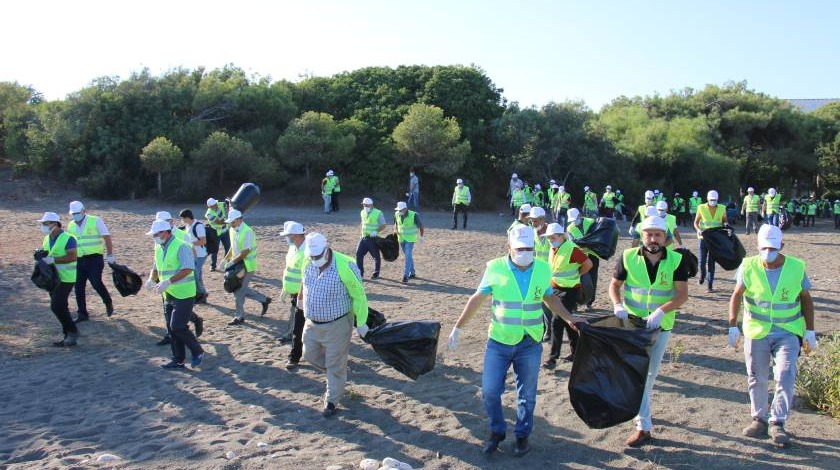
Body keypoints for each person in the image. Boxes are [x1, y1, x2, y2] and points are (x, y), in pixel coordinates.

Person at [447, 224, 586, 457]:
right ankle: (497, 431)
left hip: (530, 343)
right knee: (490, 392)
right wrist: (458, 327)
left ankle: (522, 436)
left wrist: (569, 318)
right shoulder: (495, 267)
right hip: (499, 342)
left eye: (529, 248)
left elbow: (550, 298)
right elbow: (477, 298)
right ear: (509, 246)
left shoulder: (543, 269)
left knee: (527, 396)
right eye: (520, 248)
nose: (525, 253)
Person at [727, 224, 817, 448]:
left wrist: (810, 330)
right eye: (764, 248)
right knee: (757, 376)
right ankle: (759, 419)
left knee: (786, 374)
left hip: (788, 331)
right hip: (756, 331)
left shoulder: (796, 267)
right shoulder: (748, 265)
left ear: (782, 246)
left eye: (773, 248)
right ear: (757, 246)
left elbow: (805, 298)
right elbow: (736, 295)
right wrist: (732, 325)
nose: (768, 252)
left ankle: (777, 422)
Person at [610, 216, 689, 447]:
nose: (653, 239)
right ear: (641, 236)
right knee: (638, 374)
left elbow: (682, 294)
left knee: (650, 374)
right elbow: (614, 285)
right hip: (632, 325)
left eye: (658, 235)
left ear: (665, 237)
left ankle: (641, 412)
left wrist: (661, 312)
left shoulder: (676, 260)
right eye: (649, 234)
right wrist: (617, 304)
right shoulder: (627, 257)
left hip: (660, 325)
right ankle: (643, 425)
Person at [299, 232, 369, 417]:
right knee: (309, 355)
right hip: (312, 323)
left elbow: (359, 295)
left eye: (317, 256)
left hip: (337, 324)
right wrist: (300, 299)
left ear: (326, 249)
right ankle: (337, 373)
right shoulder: (307, 261)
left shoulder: (346, 265)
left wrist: (361, 322)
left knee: (334, 364)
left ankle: (331, 401)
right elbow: (303, 283)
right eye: (311, 256)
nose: (314, 259)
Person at [144, 219, 205, 370]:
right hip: (168, 293)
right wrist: (152, 279)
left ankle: (197, 350)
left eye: (156, 234)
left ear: (166, 232)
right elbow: (156, 267)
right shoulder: (158, 247)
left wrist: (168, 281)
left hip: (184, 293)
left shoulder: (181, 246)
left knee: (177, 326)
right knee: (171, 329)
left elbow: (187, 269)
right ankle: (178, 359)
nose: (154, 237)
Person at [541, 222, 592, 368]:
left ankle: (552, 358)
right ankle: (576, 352)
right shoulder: (554, 248)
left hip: (569, 290)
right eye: (549, 237)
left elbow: (588, 264)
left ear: (562, 236)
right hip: (555, 288)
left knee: (557, 321)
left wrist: (579, 273)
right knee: (568, 321)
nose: (551, 240)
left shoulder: (572, 249)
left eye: (553, 237)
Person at [154, 211, 204, 346]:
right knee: (168, 309)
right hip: (165, 281)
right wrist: (153, 278)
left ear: (171, 222)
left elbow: (192, 254)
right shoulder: (158, 234)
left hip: (180, 280)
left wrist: (191, 272)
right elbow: (158, 258)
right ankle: (170, 334)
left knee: (180, 307)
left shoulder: (182, 236)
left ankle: (195, 320)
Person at [67, 200, 114, 322]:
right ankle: (82, 313)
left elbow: (107, 237)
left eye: (77, 213)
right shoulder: (71, 225)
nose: (75, 215)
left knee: (96, 282)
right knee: (78, 287)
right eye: (73, 213)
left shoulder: (95, 220)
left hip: (94, 258)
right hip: (79, 259)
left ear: (84, 211)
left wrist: (110, 254)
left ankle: (107, 301)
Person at [38, 212, 80, 347]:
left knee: (56, 306)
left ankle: (72, 332)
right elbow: (47, 253)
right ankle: (68, 335)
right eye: (42, 224)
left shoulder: (69, 238)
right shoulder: (47, 238)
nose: (43, 226)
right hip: (52, 278)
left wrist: (53, 260)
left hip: (67, 278)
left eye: (46, 223)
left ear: (55, 224)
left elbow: (72, 257)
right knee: (61, 306)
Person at [223, 209, 271, 325]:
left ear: (240, 220)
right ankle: (264, 300)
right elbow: (233, 247)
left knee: (238, 292)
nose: (231, 224)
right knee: (239, 288)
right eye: (230, 222)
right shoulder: (232, 229)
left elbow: (245, 252)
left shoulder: (248, 231)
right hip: (237, 265)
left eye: (233, 222)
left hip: (247, 266)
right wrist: (225, 258)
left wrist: (232, 262)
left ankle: (239, 317)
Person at [278, 221, 307, 370]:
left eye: (288, 235)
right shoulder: (293, 248)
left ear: (295, 235)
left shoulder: (307, 252)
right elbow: (289, 269)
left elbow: (306, 278)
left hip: (305, 296)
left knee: (299, 326)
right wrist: (285, 288)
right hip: (295, 294)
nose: (286, 238)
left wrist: (301, 298)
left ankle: (294, 357)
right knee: (299, 325)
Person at [694, 190, 728, 293]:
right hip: (703, 239)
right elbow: (696, 223)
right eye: (711, 200)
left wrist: (726, 225)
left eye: (715, 200)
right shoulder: (701, 208)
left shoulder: (722, 208)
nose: (713, 202)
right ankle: (702, 274)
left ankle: (709, 285)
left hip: (715, 240)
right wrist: (698, 230)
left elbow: (725, 220)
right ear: (708, 199)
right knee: (701, 262)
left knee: (711, 263)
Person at [566, 208, 600, 311]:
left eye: (575, 219)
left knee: (593, 278)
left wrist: (584, 243)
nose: (574, 222)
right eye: (571, 220)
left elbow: (597, 236)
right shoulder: (570, 228)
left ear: (580, 215)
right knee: (577, 279)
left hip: (593, 254)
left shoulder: (591, 222)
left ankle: (589, 303)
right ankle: (575, 303)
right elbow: (573, 243)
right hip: (579, 256)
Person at [179, 209, 208, 304]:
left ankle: (202, 295)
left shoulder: (198, 226)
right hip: (193, 254)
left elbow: (203, 241)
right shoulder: (188, 226)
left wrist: (190, 243)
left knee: (196, 276)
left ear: (187, 218)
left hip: (200, 255)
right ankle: (202, 293)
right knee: (197, 275)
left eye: (183, 219)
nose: (182, 221)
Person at [355, 197, 387, 279]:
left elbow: (383, 225)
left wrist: (376, 231)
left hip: (373, 238)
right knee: (358, 254)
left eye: (366, 205)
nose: (365, 206)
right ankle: (360, 273)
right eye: (364, 205)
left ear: (371, 205)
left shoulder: (378, 213)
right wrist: (360, 234)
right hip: (363, 237)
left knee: (376, 256)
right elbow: (363, 223)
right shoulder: (362, 212)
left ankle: (376, 273)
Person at [394, 201, 424, 283]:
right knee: (408, 256)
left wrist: (421, 236)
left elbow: (421, 226)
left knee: (407, 257)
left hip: (410, 240)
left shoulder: (414, 215)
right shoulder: (397, 214)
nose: (400, 211)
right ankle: (413, 272)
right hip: (401, 239)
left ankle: (406, 276)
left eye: (401, 210)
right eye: (399, 210)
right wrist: (395, 230)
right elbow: (396, 224)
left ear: (406, 208)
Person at [205, 197, 230, 271]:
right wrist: (228, 221)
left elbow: (227, 205)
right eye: (214, 205)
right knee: (214, 250)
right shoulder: (208, 214)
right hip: (215, 233)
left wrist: (228, 202)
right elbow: (218, 222)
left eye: (215, 204)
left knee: (228, 248)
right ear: (209, 206)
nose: (216, 205)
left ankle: (226, 264)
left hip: (225, 230)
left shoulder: (219, 204)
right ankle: (213, 266)